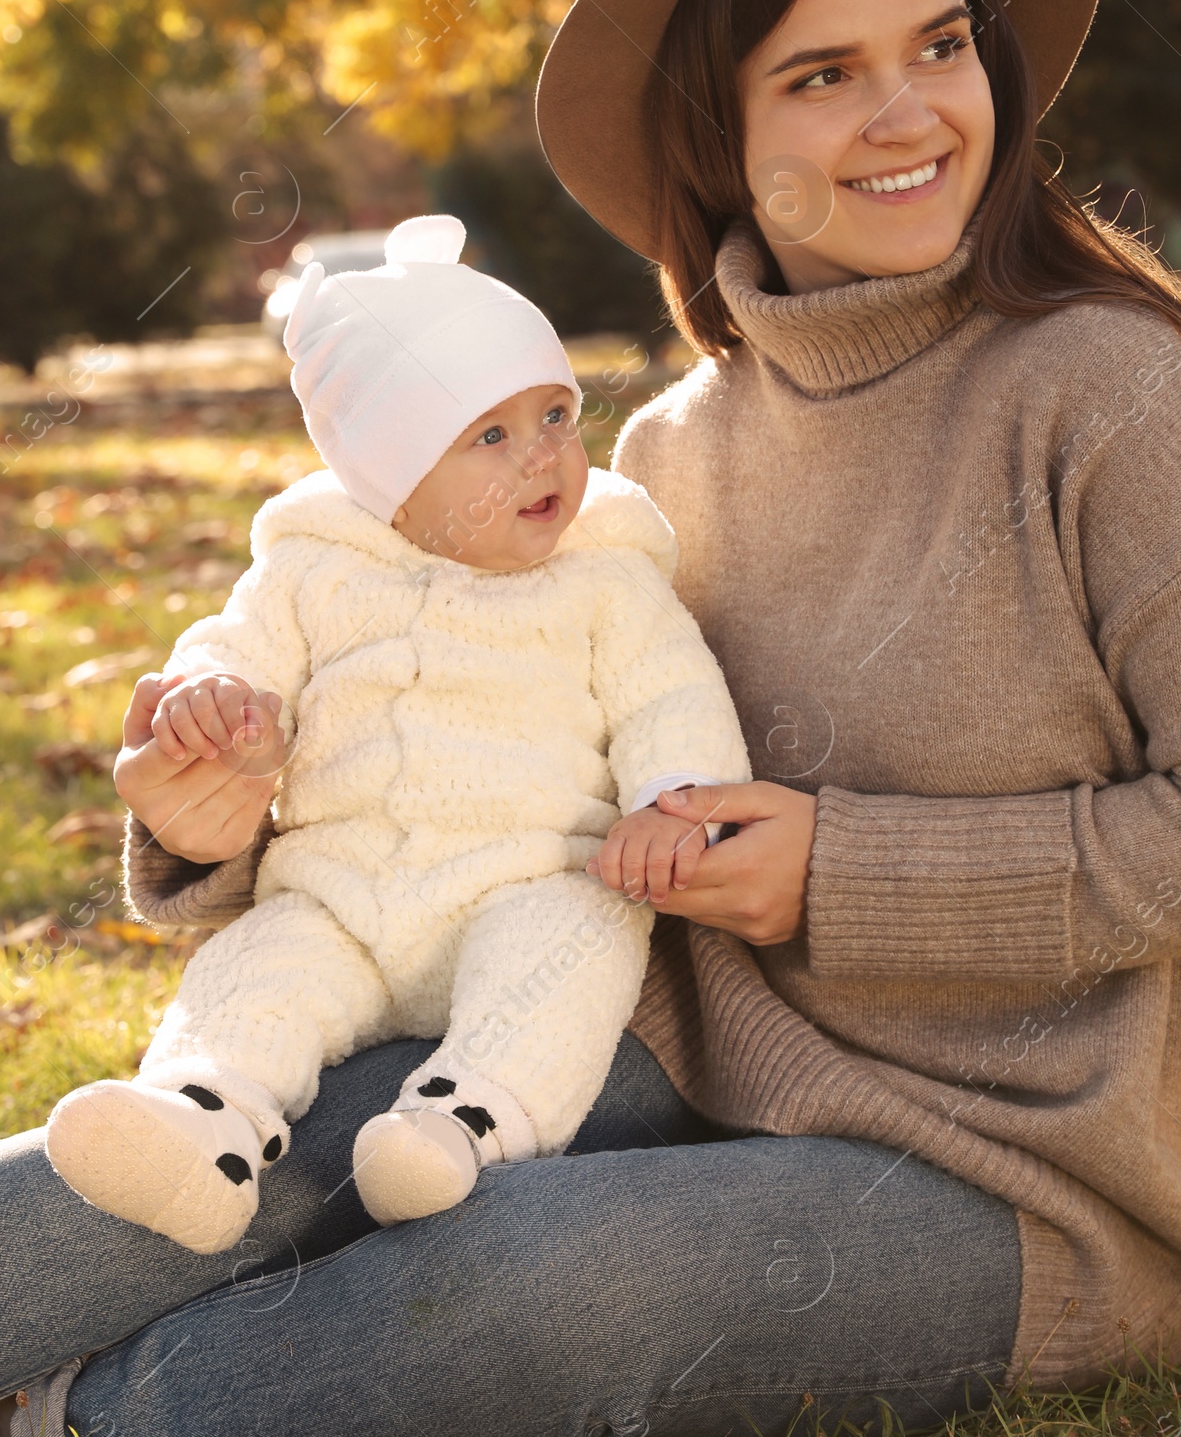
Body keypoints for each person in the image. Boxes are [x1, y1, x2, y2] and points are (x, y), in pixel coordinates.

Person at [0, 0, 1181, 1437]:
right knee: (282, 1139)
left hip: (1033, 1184)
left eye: (940, 46)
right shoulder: (666, 454)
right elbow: (484, 779)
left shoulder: (1101, 388)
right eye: (822, 73)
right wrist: (218, 825)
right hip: (698, 1048)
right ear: (717, 137)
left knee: (513, 1279)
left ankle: (13, 1423)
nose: (909, 112)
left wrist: (842, 876)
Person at [45, 213, 748, 1251]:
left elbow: (670, 701)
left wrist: (673, 804)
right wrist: (209, 701)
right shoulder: (311, 569)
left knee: (575, 948)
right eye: (491, 437)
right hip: (338, 893)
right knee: (258, 970)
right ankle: (201, 1124)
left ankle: (460, 1121)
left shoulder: (606, 576)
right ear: (389, 482)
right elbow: (232, 651)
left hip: (526, 877)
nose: (545, 456)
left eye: (556, 413)